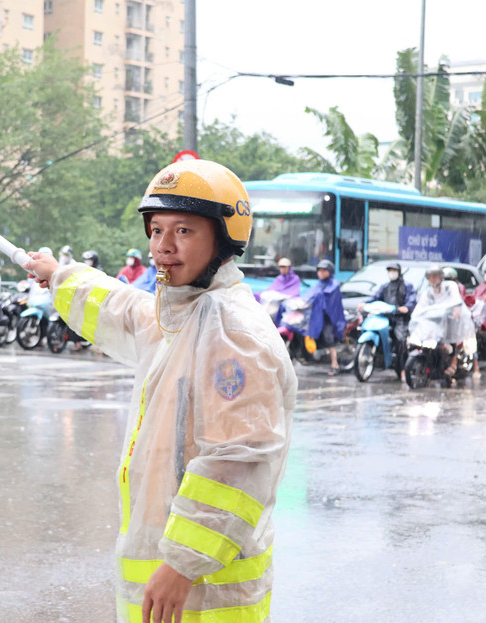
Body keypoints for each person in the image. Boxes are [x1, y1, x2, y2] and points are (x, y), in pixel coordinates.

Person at [23, 159, 295, 623]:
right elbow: (122, 309)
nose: (163, 247)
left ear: (223, 238)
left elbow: (240, 463)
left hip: (206, 598)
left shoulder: (233, 331)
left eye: (184, 231)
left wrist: (181, 564)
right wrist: (59, 276)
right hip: (169, 589)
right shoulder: (186, 312)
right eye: (156, 230)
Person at [414, 265, 475, 378]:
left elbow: (456, 301)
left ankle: (453, 362)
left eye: (435, 276)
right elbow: (422, 305)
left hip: (451, 319)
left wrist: (456, 310)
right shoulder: (428, 291)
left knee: (451, 338)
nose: (432, 279)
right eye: (430, 277)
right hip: (436, 320)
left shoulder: (451, 287)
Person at [357, 262, 416, 362]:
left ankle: (401, 367)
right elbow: (375, 298)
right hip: (384, 317)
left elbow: (411, 300)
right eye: (390, 271)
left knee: (400, 340)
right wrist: (365, 303)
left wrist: (406, 308)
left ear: (399, 272)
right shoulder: (385, 286)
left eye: (394, 271)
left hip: (400, 318)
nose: (392, 273)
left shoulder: (407, 286)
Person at [303, 258, 347, 375]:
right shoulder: (318, 284)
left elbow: (327, 299)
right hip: (316, 316)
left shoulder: (334, 285)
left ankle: (335, 364)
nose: (321, 273)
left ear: (330, 272)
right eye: (319, 271)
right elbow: (308, 296)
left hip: (329, 318)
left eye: (324, 271)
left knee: (329, 338)